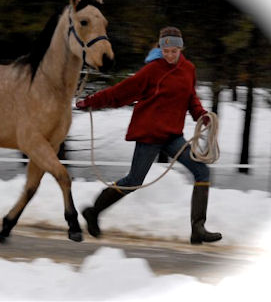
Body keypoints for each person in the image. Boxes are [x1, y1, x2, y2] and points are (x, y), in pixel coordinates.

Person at [76, 26, 222, 244]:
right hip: (150, 134)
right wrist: (91, 102)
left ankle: (198, 228)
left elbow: (191, 98)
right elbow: (121, 91)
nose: (170, 55)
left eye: (174, 50)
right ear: (161, 48)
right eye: (166, 50)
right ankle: (94, 211)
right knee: (134, 180)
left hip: (172, 136)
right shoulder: (152, 71)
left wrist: (201, 114)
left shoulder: (189, 69)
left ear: (181, 48)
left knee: (202, 171)